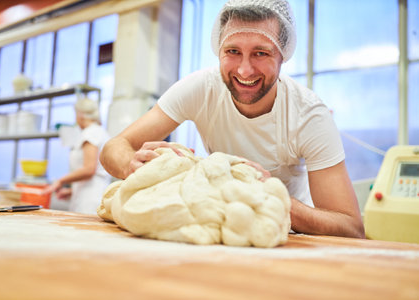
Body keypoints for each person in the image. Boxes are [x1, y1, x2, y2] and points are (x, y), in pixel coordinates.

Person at [100, 0, 365, 238]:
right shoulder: (201, 88)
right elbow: (114, 147)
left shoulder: (308, 115)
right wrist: (132, 165)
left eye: (261, 53)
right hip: (224, 231)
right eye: (233, 51)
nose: (244, 69)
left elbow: (350, 226)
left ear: (283, 55)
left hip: (286, 235)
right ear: (219, 50)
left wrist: (268, 195)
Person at [46, 97, 111, 214]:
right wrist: (71, 191)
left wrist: (60, 181)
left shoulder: (90, 133)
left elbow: (89, 169)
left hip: (89, 200)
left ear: (80, 114)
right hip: (93, 194)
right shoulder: (100, 132)